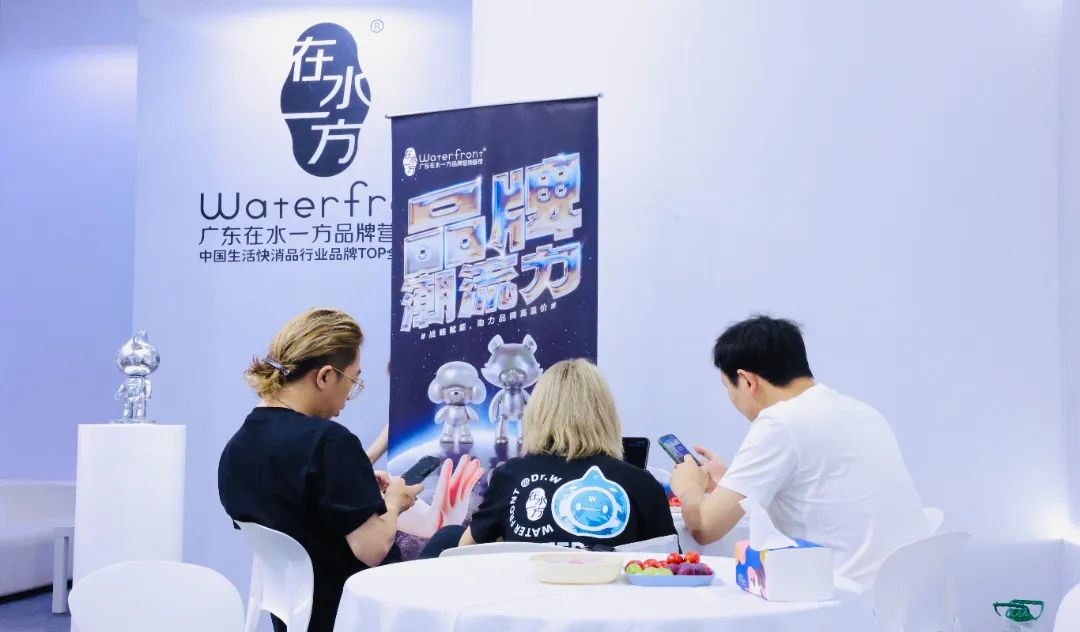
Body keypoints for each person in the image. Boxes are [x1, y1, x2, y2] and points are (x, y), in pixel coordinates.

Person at [670, 315, 928, 588]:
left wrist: (688, 486)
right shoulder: (861, 412)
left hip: (844, 595)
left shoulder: (780, 423)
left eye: (728, 387)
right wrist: (730, 481)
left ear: (747, 381)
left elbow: (705, 527)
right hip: (905, 594)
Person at [218, 308, 421, 632]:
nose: (349, 396)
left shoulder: (238, 447)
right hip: (353, 614)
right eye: (353, 381)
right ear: (325, 376)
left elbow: (296, 497)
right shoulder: (329, 441)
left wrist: (355, 480)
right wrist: (395, 501)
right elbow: (372, 549)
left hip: (295, 617)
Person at [459, 359, 676, 550]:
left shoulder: (510, 475)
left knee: (449, 535)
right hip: (608, 585)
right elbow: (671, 567)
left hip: (528, 585)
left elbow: (465, 550)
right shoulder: (641, 483)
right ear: (606, 414)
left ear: (536, 412)